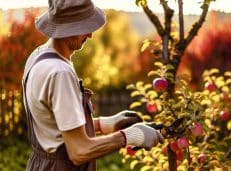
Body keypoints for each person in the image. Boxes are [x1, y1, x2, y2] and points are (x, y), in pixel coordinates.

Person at [21, 0, 164, 170]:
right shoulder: (60, 73)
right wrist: (130, 136)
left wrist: (105, 124)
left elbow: (54, 125)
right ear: (68, 28)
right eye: (84, 27)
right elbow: (79, 151)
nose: (90, 35)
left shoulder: (39, 56)